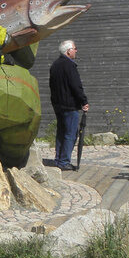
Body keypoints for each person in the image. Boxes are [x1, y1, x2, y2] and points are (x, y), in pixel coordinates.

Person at [49, 39, 89, 170]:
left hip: (58, 105)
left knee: (61, 132)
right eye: (74, 48)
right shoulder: (69, 66)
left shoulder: (55, 65)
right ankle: (64, 161)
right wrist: (84, 101)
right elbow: (76, 85)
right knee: (70, 133)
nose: (76, 51)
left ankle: (58, 159)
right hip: (69, 105)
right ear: (68, 51)